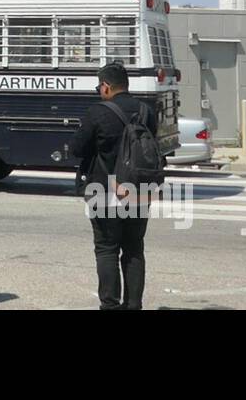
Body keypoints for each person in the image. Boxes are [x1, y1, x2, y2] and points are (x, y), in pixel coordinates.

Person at [74, 62, 159, 311]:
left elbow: (78, 149)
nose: (99, 90)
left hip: (105, 189)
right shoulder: (145, 111)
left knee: (107, 248)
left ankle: (109, 306)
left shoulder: (98, 113)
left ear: (107, 86)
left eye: (99, 86)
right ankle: (133, 305)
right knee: (134, 249)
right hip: (139, 191)